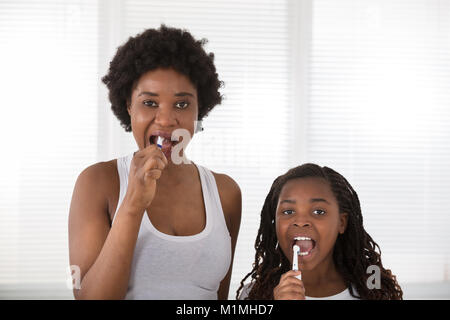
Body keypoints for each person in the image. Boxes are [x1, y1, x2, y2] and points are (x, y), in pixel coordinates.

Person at [68, 25, 241, 300]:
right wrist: (133, 204)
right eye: (149, 103)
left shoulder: (225, 192)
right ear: (128, 106)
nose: (165, 120)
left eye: (182, 105)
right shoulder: (97, 182)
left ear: (200, 108)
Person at [237, 163, 402, 300]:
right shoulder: (254, 296)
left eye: (318, 212)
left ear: (341, 223)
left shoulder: (374, 290)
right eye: (288, 212)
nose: (301, 221)